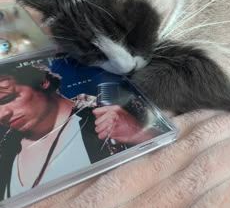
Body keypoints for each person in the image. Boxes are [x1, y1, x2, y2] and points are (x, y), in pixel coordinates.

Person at [0, 64, 157, 200]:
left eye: (6, 99)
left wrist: (141, 135)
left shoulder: (112, 113)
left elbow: (172, 153)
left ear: (43, 81)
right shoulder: (5, 148)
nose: (2, 115)